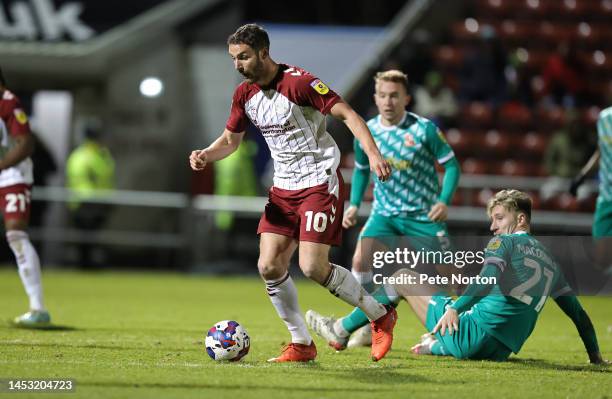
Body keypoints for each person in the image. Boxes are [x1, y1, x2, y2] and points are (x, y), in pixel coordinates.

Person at [189, 24, 396, 363]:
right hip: (283, 190)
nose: (238, 65)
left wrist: (373, 155)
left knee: (313, 267)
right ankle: (301, 343)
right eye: (233, 59)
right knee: (269, 266)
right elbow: (230, 141)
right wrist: (205, 155)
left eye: (243, 57)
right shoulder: (244, 94)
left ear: (263, 53)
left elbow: (348, 113)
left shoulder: (300, 83)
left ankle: (380, 315)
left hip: (318, 183)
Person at [306, 70, 461, 351]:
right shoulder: (368, 131)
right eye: (383, 95)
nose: (388, 101)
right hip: (385, 214)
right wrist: (354, 205)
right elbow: (362, 171)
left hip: (423, 215)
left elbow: (451, 165)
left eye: (394, 96)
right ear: (375, 98)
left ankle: (451, 325)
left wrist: (444, 200)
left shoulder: (424, 129)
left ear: (407, 99)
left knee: (448, 274)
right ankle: (368, 324)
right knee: (360, 261)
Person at [399, 189, 606, 364]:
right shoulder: (552, 262)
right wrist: (595, 357)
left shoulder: (504, 242)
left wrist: (454, 308)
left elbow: (486, 279)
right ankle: (435, 346)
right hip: (501, 351)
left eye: (499, 218)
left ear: (521, 219)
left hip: (473, 336)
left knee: (402, 278)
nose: (493, 227)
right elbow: (579, 315)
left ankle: (371, 325)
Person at [0, 66, 51, 327]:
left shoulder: (8, 102)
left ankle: (38, 308)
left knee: (16, 235)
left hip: (13, 176)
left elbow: (26, 144)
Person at [66, 126, 115, 268]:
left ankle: (86, 263)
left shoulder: (79, 154)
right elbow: (103, 175)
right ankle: (85, 264)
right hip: (89, 201)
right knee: (87, 237)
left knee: (87, 237)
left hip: (84, 200)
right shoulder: (98, 155)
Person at [570, 106, 612, 272]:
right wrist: (582, 175)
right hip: (607, 195)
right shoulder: (604, 117)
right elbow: (602, 149)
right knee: (602, 259)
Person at [540, 109, 594, 202]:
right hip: (559, 177)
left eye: (578, 124)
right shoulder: (558, 139)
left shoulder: (587, 141)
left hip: (577, 179)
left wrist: (584, 174)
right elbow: (549, 160)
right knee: (546, 192)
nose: (576, 127)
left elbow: (592, 161)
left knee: (584, 195)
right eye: (573, 124)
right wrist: (556, 171)